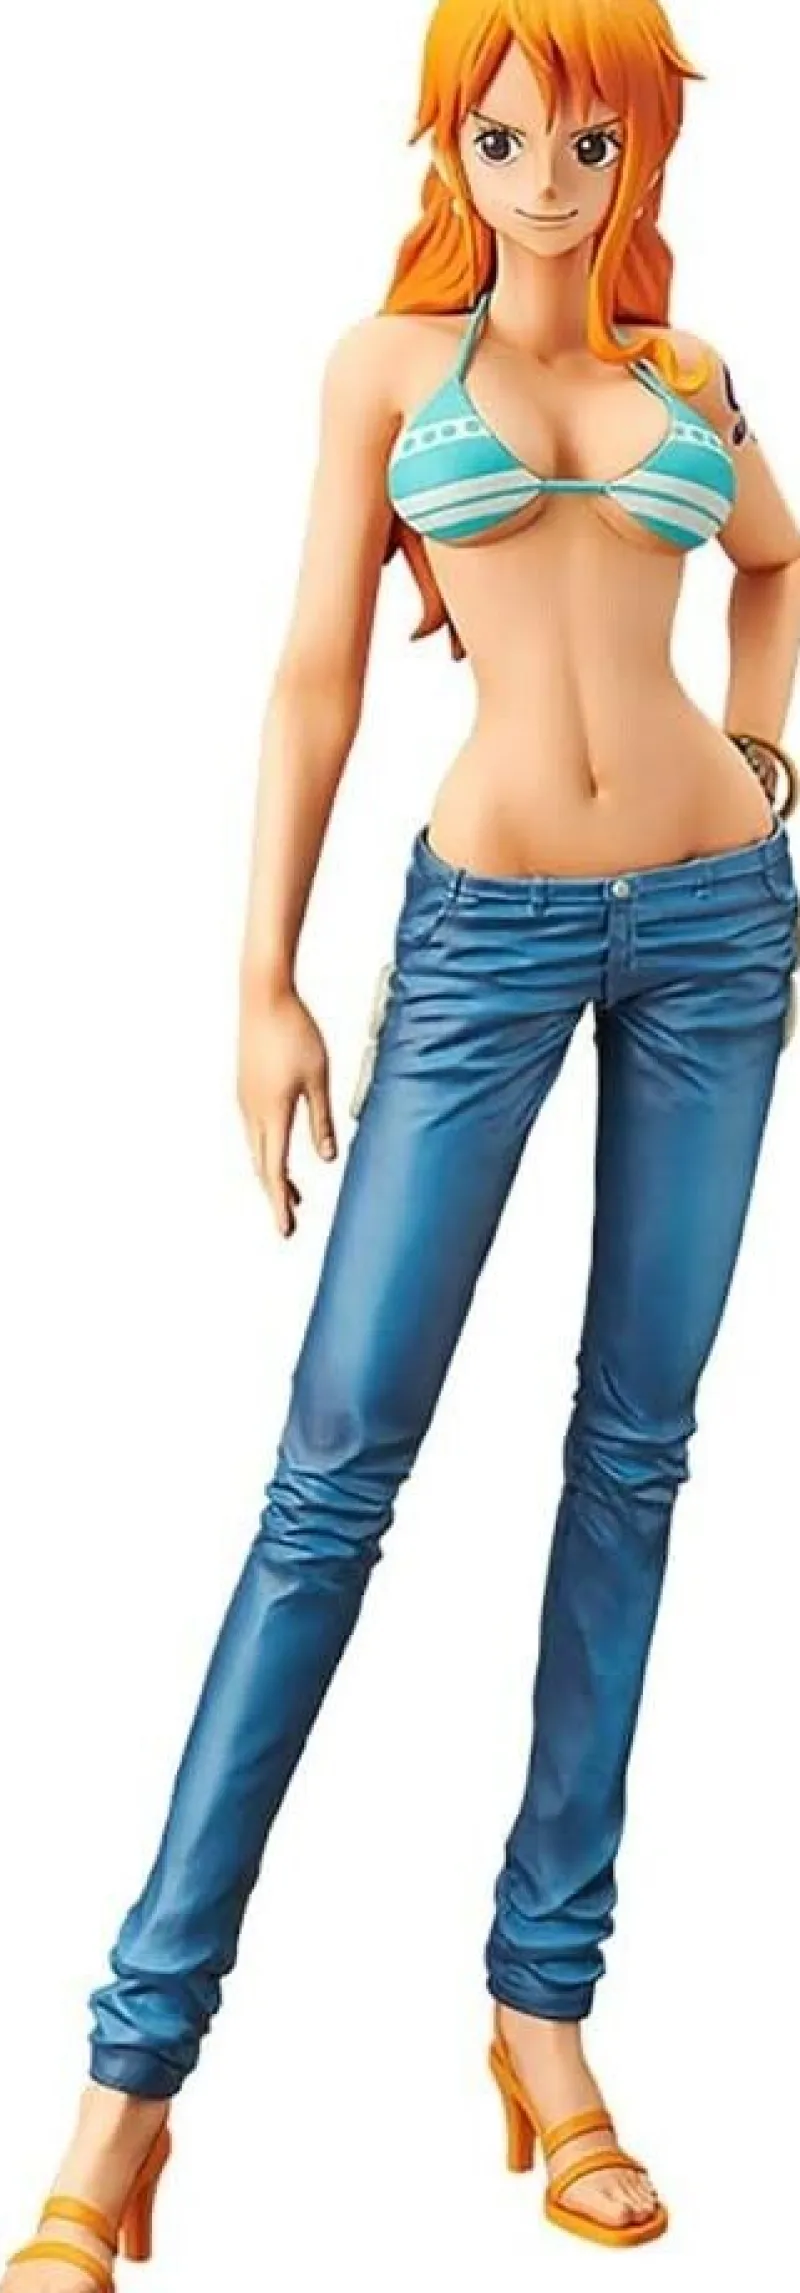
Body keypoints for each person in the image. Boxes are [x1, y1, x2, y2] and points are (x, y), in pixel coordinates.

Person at [5, 0, 800, 2275]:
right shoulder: (381, 373)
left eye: (589, 138)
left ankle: (544, 2017)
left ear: (639, 150)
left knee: (634, 1455)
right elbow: (315, 674)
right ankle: (130, 2083)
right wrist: (260, 978)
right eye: (507, 133)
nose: (548, 177)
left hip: (716, 936)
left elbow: (776, 563)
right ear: (453, 142)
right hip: (482, 941)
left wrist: (764, 767)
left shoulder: (692, 378)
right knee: (331, 1478)